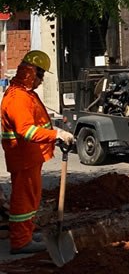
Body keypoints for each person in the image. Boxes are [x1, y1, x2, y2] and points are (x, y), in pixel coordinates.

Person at [0, 50, 74, 254]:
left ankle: (28, 231)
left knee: (31, 198)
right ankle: (21, 241)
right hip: (23, 157)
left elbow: (36, 122)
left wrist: (54, 132)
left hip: (29, 157)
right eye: (40, 75)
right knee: (23, 199)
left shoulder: (25, 94)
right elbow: (26, 130)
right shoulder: (17, 98)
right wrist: (55, 135)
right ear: (30, 72)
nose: (41, 81)